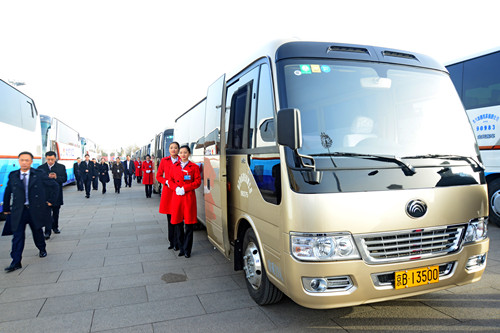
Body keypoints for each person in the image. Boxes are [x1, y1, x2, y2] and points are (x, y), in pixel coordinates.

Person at [3, 151, 58, 272]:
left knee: (37, 232)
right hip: (19, 211)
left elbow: (54, 186)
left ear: (31, 162)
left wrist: (51, 201)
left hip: (34, 210)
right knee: (17, 236)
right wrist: (6, 208)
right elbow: (8, 192)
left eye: (27, 160)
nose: (24, 162)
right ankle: (16, 261)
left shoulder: (38, 174)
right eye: (22, 160)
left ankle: (42, 249)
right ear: (18, 161)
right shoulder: (13, 175)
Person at [169, 145, 201, 258]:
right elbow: (170, 180)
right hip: (177, 198)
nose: (183, 154)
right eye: (181, 152)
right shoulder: (174, 166)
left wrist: (185, 188)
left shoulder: (194, 167)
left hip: (188, 198)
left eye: (185, 152)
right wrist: (176, 188)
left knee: (189, 225)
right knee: (178, 224)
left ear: (189, 153)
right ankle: (181, 248)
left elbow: (197, 182)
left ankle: (188, 249)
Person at [37, 151, 67, 239]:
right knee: (46, 213)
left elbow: (64, 179)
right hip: (45, 194)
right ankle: (47, 231)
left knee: (56, 212)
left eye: (52, 159)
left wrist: (56, 177)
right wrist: (47, 177)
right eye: (49, 159)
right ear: (46, 158)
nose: (50, 161)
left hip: (57, 193)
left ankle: (55, 227)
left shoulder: (61, 167)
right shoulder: (41, 168)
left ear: (55, 158)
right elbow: (39, 181)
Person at [156, 141, 180, 249]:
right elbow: (158, 176)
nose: (173, 149)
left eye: (175, 148)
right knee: (170, 218)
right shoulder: (164, 161)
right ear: (169, 150)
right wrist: (166, 182)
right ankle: (172, 241)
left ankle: (179, 241)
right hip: (168, 192)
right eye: (171, 148)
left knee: (179, 218)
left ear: (178, 150)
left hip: (179, 192)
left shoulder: (182, 160)